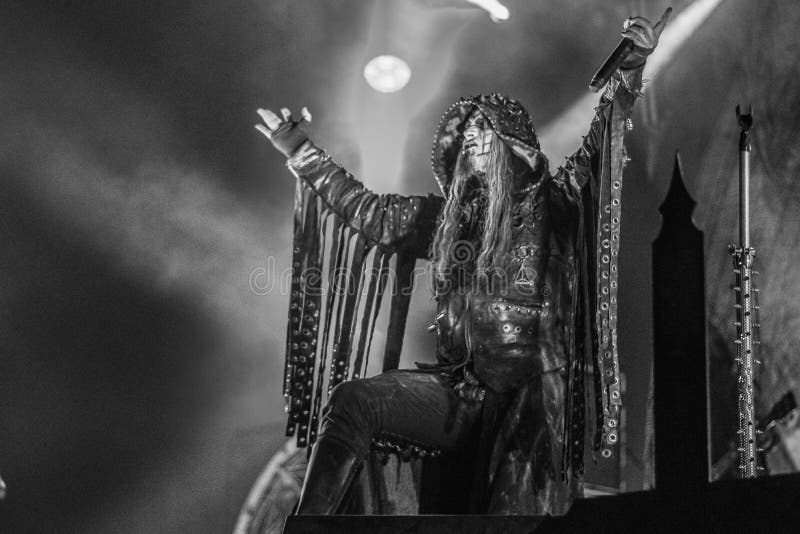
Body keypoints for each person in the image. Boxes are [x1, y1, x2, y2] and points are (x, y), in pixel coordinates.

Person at [256, 11, 669, 515]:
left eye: (484, 128)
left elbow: (602, 144)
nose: (473, 134)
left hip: (531, 398)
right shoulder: (447, 220)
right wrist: (301, 151)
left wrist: (629, 71)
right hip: (460, 392)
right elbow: (372, 213)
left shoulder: (551, 202)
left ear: (510, 145)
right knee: (353, 401)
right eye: (467, 130)